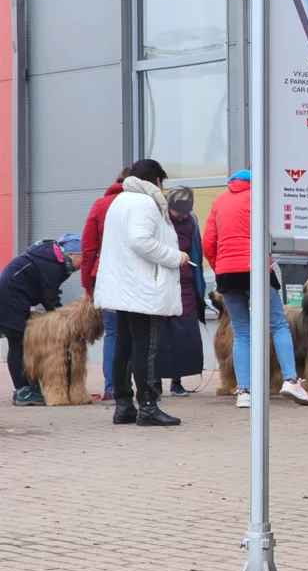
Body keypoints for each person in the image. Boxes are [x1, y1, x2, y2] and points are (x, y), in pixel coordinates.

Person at [203, 167, 308, 408]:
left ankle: (244, 391)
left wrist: (219, 266)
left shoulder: (219, 201)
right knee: (278, 325)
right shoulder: (259, 197)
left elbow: (208, 242)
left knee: (242, 333)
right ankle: (291, 380)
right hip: (255, 268)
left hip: (227, 273)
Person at [94, 159, 188, 427]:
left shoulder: (120, 201)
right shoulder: (145, 202)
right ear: (157, 181)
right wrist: (175, 257)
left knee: (124, 345)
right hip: (143, 288)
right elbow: (140, 240)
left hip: (123, 286)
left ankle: (124, 405)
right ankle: (147, 406)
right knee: (145, 347)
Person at [0, 234, 85, 405]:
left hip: (13, 294)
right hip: (10, 296)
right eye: (83, 258)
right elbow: (50, 297)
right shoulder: (53, 264)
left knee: (21, 340)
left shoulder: (53, 259)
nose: (83, 265)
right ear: (73, 254)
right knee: (17, 341)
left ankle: (28, 388)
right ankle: (23, 391)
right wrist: (63, 321)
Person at [81, 168, 128, 400]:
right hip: (131, 277)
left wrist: (88, 285)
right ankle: (141, 387)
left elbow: (88, 248)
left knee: (113, 333)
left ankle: (112, 388)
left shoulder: (101, 205)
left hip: (105, 276)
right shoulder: (143, 204)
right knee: (138, 333)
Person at [153, 187, 206, 396]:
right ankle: (155, 381)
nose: (182, 216)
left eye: (185, 212)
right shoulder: (159, 219)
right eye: (178, 212)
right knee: (160, 334)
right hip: (163, 283)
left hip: (186, 283)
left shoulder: (191, 221)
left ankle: (177, 381)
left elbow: (197, 252)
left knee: (184, 334)